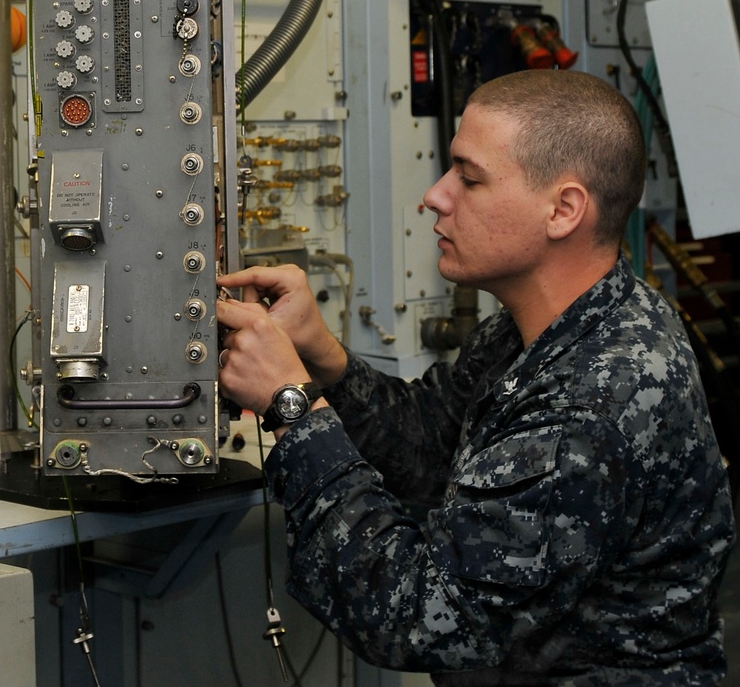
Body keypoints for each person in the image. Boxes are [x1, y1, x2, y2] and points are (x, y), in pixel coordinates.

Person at [216, 69, 736, 685]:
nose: (435, 195)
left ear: (563, 209)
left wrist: (289, 405)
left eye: (468, 177)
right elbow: (430, 446)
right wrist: (322, 358)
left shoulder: (596, 392)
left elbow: (420, 617)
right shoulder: (550, 326)